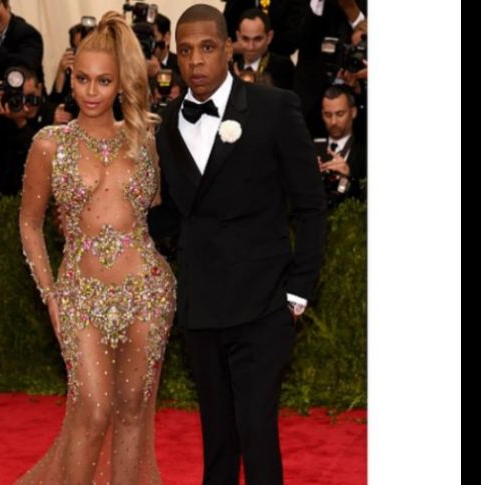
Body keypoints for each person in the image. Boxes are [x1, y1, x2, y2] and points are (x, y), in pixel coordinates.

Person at [149, 5, 326, 484]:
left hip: (264, 303)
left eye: (207, 48)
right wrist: (115, 216)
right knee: (218, 439)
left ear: (229, 48)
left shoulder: (273, 108)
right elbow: (175, 213)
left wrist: (297, 293)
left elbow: (310, 206)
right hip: (202, 306)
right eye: (185, 51)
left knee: (257, 431)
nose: (196, 62)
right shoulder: (166, 124)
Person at [16, 11, 176, 484]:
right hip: (80, 294)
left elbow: (158, 208)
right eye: (82, 78)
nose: (90, 91)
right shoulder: (50, 143)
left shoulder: (144, 140)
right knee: (93, 407)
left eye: (103, 81)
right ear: (70, 77)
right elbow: (28, 224)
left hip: (147, 292)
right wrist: (51, 295)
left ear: (119, 84)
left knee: (132, 411)